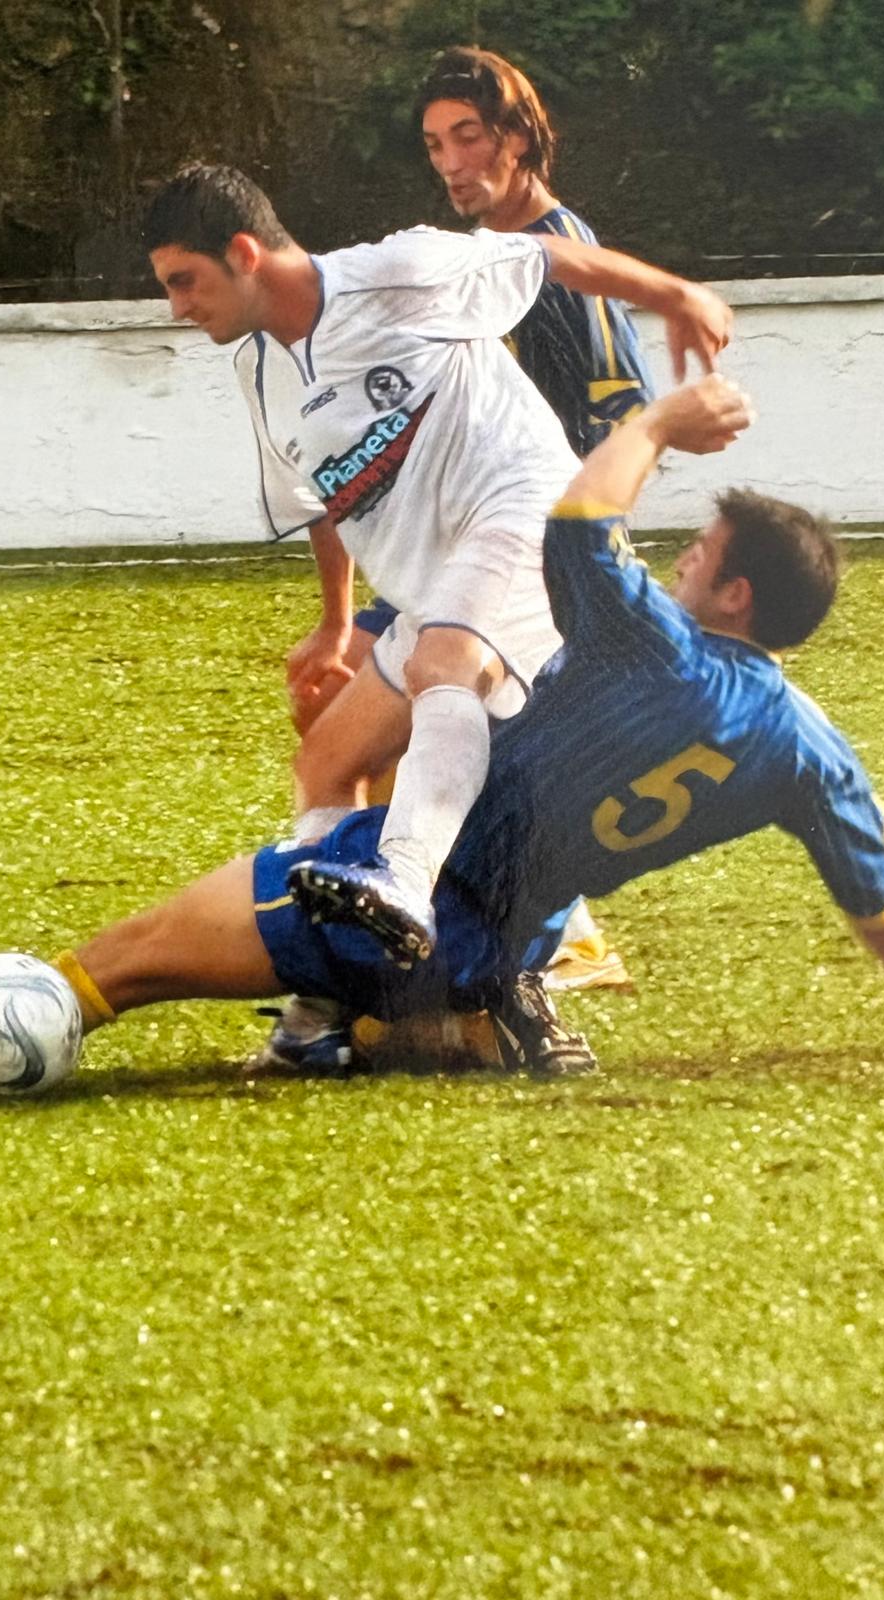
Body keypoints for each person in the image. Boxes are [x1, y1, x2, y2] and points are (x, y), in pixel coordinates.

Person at [0, 377, 884, 1095]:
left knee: (123, 961)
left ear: (736, 594)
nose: (677, 563)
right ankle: (412, 1025)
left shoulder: (656, 644)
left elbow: (576, 526)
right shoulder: (807, 746)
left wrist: (655, 424)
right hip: (509, 944)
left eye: (697, 556)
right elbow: (881, 892)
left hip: (405, 904)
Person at [142, 162, 731, 1082]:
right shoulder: (259, 369)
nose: (177, 308)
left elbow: (544, 257)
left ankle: (405, 883)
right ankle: (325, 1008)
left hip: (528, 521)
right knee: (327, 761)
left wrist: (677, 295)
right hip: (436, 587)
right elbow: (322, 495)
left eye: (184, 281)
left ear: (244, 252)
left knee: (444, 665)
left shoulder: (398, 271)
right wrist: (333, 624)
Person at [290, 45, 658, 999]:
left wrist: (578, 557)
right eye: (434, 144)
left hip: (528, 549)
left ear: (519, 138)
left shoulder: (556, 255)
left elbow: (624, 415)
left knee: (448, 723)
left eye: (469, 137)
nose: (452, 162)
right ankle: (382, 925)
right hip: (448, 544)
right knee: (335, 715)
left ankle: (531, 935)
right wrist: (337, 611)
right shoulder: (459, 263)